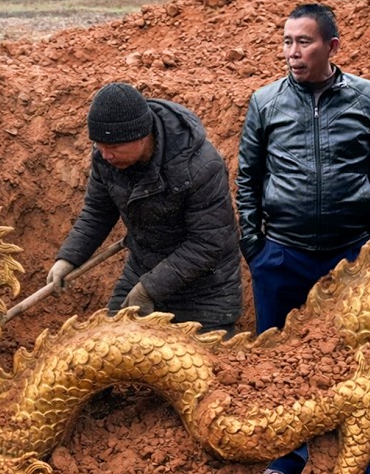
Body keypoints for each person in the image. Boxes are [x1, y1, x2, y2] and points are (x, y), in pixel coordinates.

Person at [236, 3, 370, 474]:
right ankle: (284, 466)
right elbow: (247, 179)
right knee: (279, 366)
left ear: (331, 46)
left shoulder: (367, 98)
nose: (293, 52)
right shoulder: (265, 102)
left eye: (304, 41)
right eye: (287, 41)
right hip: (282, 257)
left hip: (352, 258)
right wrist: (256, 249)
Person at [47, 82, 242, 333]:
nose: (105, 155)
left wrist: (149, 289)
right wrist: (68, 258)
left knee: (197, 356)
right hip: (143, 269)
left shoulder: (200, 166)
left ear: (142, 136)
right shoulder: (106, 160)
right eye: (99, 145)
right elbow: (97, 213)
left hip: (205, 290)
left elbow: (207, 242)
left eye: (113, 147)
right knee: (110, 344)